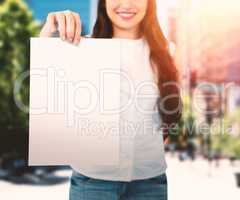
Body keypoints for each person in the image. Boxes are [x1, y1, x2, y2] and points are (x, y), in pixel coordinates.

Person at [39, 0, 182, 199]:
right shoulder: (80, 48)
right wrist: (49, 31)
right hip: (93, 183)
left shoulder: (167, 52)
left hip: (150, 183)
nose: (126, 4)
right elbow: (46, 95)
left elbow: (169, 113)